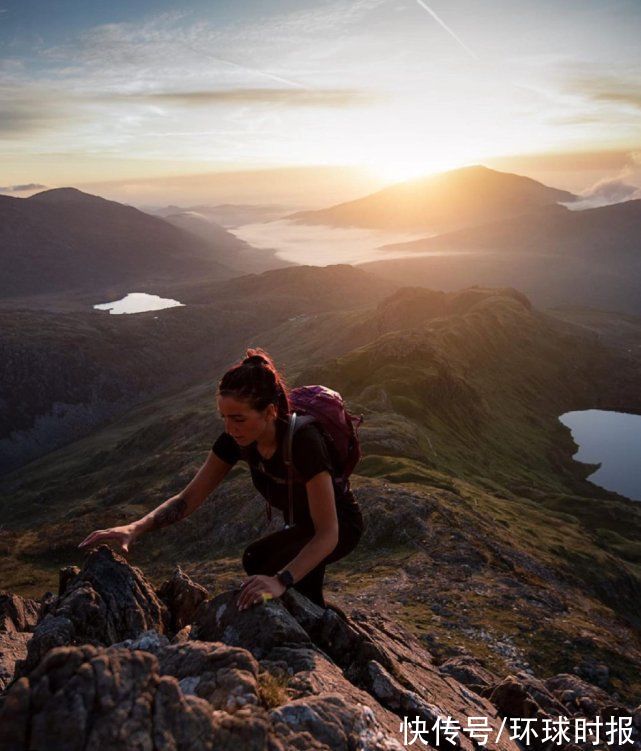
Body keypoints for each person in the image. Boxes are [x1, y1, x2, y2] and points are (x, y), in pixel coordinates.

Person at [79, 348, 364, 611]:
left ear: (269, 412)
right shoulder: (237, 440)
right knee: (256, 561)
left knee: (273, 572)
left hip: (340, 528)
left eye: (238, 418)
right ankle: (317, 616)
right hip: (306, 528)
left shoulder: (304, 443)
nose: (230, 428)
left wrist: (280, 580)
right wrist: (134, 528)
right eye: (224, 417)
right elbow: (187, 500)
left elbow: (328, 534)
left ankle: (320, 629)